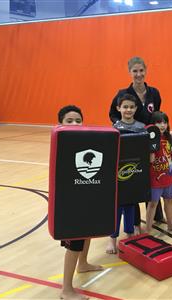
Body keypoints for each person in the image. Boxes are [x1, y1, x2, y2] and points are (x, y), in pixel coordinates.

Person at [109, 56, 165, 230]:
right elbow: (113, 114)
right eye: (135, 71)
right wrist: (123, 128)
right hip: (131, 141)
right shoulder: (122, 94)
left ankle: (157, 215)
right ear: (129, 72)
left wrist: (157, 132)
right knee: (135, 177)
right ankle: (135, 220)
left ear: (146, 70)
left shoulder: (154, 92)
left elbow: (157, 114)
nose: (139, 74)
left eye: (141, 70)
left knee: (153, 175)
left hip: (151, 140)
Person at [57, 105, 103, 300]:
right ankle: (66, 290)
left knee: (87, 232)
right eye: (69, 121)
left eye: (78, 120)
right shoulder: (60, 142)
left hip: (85, 195)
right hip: (70, 202)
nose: (75, 123)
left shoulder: (86, 141)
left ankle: (83, 264)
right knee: (74, 243)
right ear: (60, 124)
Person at [106, 94, 144, 254]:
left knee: (131, 206)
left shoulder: (141, 127)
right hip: (118, 176)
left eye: (131, 107)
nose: (128, 110)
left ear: (136, 108)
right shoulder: (114, 129)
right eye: (125, 107)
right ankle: (112, 239)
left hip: (134, 173)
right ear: (118, 108)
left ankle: (129, 236)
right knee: (116, 208)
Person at [146, 111, 172, 233]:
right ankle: (148, 230)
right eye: (159, 122)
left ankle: (171, 225)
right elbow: (150, 160)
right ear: (153, 124)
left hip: (169, 174)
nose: (162, 125)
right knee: (153, 204)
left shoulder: (169, 138)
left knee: (169, 200)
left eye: (165, 122)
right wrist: (151, 147)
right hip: (155, 177)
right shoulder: (148, 139)